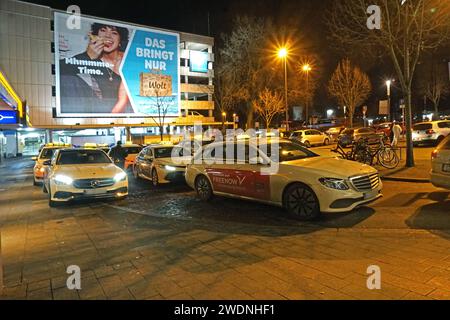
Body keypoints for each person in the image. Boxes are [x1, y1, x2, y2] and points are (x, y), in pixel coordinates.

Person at [59, 23, 132, 114]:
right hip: (101, 113)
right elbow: (58, 69)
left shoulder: (130, 59)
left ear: (120, 39)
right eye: (103, 30)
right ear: (95, 35)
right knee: (66, 79)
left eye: (114, 33)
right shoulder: (90, 58)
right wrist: (87, 56)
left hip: (128, 113)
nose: (107, 36)